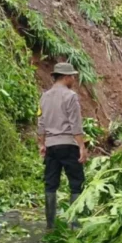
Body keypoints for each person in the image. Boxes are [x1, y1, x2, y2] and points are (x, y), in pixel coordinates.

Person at [37, 62, 89, 230]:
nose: (73, 79)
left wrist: (41, 143)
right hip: (68, 144)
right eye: (72, 76)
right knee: (76, 182)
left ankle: (50, 224)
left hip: (51, 146)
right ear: (66, 77)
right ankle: (75, 223)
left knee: (51, 184)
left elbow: (41, 122)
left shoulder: (44, 96)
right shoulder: (70, 96)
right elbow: (75, 124)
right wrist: (81, 146)